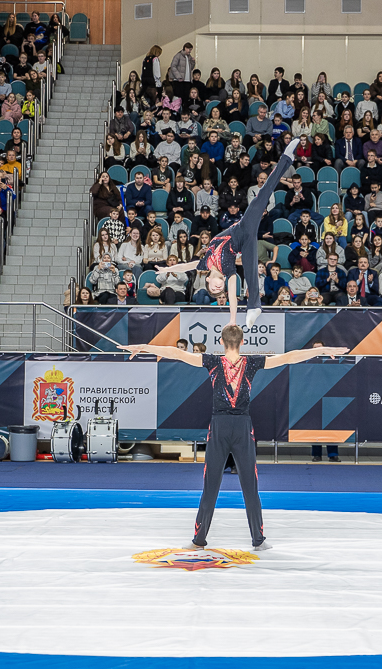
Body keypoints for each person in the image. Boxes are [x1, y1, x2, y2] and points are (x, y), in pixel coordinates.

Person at [122, 327, 347, 550]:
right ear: (242, 342)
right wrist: (320, 350)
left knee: (211, 485)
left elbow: (177, 353)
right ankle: (258, 540)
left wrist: (143, 347)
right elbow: (289, 357)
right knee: (250, 484)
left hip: (219, 426)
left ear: (221, 342)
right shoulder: (251, 362)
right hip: (242, 427)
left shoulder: (212, 361)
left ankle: (199, 540)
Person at [154, 139, 299, 328]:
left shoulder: (204, 262)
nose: (218, 288)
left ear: (207, 279)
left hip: (243, 228)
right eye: (219, 289)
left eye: (214, 288)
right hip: (244, 240)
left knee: (262, 195)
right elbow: (232, 294)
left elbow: (185, 266)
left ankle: (287, 158)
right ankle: (253, 307)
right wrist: (232, 321)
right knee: (250, 270)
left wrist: (168, 269)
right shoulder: (229, 272)